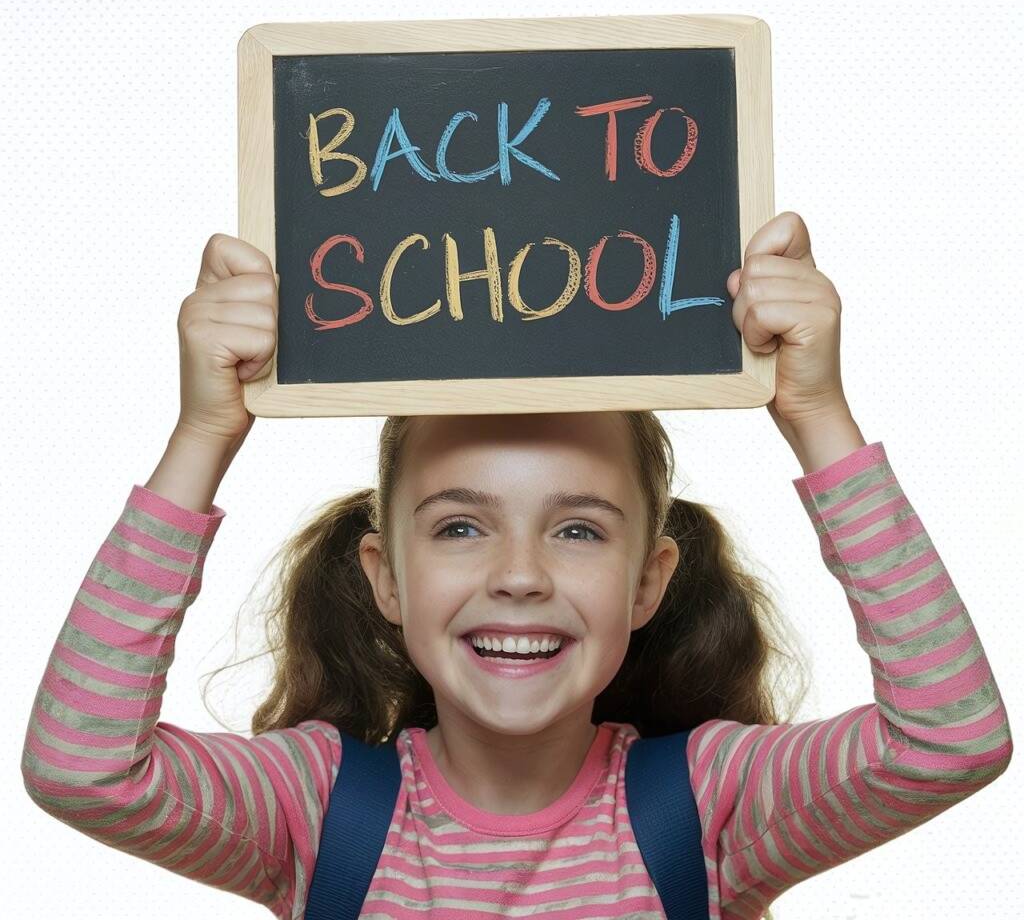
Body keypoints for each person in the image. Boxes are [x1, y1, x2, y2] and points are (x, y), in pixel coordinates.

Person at [20, 212, 1012, 919]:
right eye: (460, 527)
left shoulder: (715, 805)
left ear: (648, 580)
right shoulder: (314, 811)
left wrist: (818, 417)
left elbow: (950, 739)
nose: (520, 574)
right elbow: (82, 767)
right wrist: (203, 432)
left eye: (578, 529)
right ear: (385, 576)